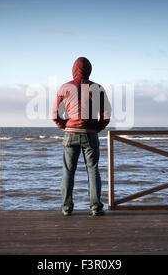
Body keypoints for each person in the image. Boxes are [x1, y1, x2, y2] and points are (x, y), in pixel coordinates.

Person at [52, 57, 111, 216]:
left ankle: (66, 208)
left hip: (70, 134)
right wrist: (95, 128)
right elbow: (106, 116)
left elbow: (55, 114)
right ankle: (96, 207)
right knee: (93, 170)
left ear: (73, 69)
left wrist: (65, 126)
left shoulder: (65, 87)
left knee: (68, 171)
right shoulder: (97, 88)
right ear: (89, 69)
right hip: (90, 135)